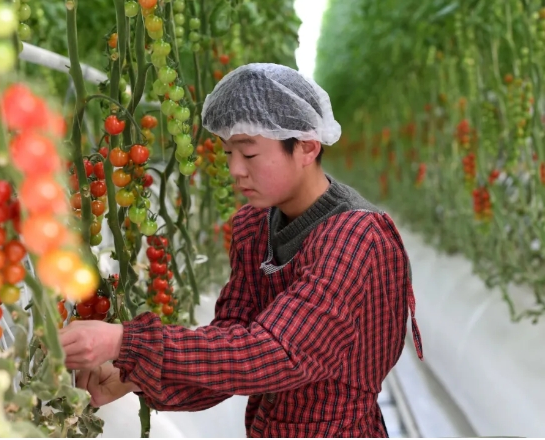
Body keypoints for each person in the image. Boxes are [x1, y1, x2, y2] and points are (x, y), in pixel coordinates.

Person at [59, 63, 423, 438]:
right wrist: (132, 376)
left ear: (307, 147)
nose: (235, 169)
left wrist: (127, 342)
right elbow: (233, 345)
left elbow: (276, 352)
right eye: (228, 152)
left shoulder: (357, 238)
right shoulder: (254, 225)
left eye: (248, 154)